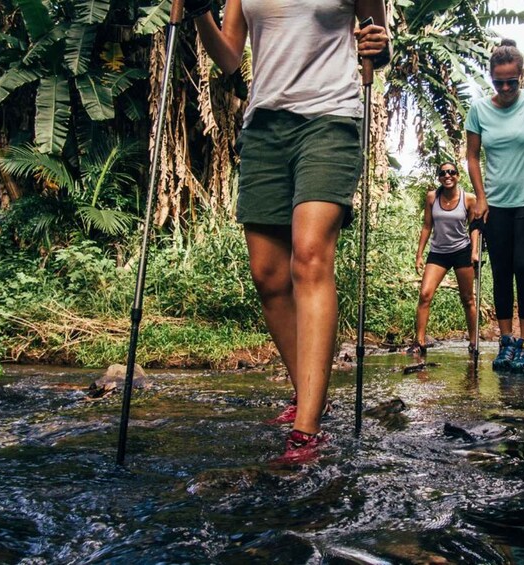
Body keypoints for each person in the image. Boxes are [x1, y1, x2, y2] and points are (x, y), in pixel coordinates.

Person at [192, 0, 389, 460]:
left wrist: (379, 47)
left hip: (330, 120)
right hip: (264, 125)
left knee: (310, 255)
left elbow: (376, 39)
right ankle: (309, 394)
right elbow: (228, 58)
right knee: (267, 274)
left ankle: (307, 429)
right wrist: (201, 12)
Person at [466, 39, 524, 374]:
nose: (505, 88)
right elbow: (472, 157)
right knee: (501, 271)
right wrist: (481, 196)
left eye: (511, 81)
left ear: (522, 76)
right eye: (499, 82)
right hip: (496, 204)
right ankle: (505, 342)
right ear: (491, 78)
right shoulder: (479, 110)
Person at [410, 162, 480, 360]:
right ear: (439, 177)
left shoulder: (469, 199)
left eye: (451, 172)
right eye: (443, 173)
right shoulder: (432, 197)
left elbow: (474, 226)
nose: (447, 176)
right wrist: (419, 254)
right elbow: (426, 226)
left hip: (461, 252)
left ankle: (474, 342)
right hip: (438, 252)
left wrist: (474, 252)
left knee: (468, 299)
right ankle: (420, 342)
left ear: (458, 176)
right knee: (425, 294)